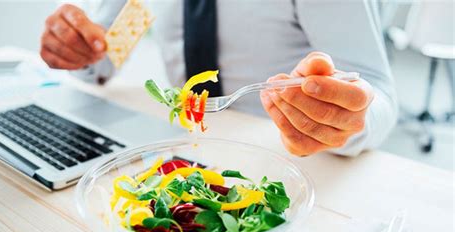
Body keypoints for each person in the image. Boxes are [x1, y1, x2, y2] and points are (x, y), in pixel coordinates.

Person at [39, 0, 397, 157]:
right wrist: (75, 48)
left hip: (289, 157)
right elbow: (103, 58)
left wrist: (344, 120)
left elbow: (377, 92)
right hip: (182, 146)